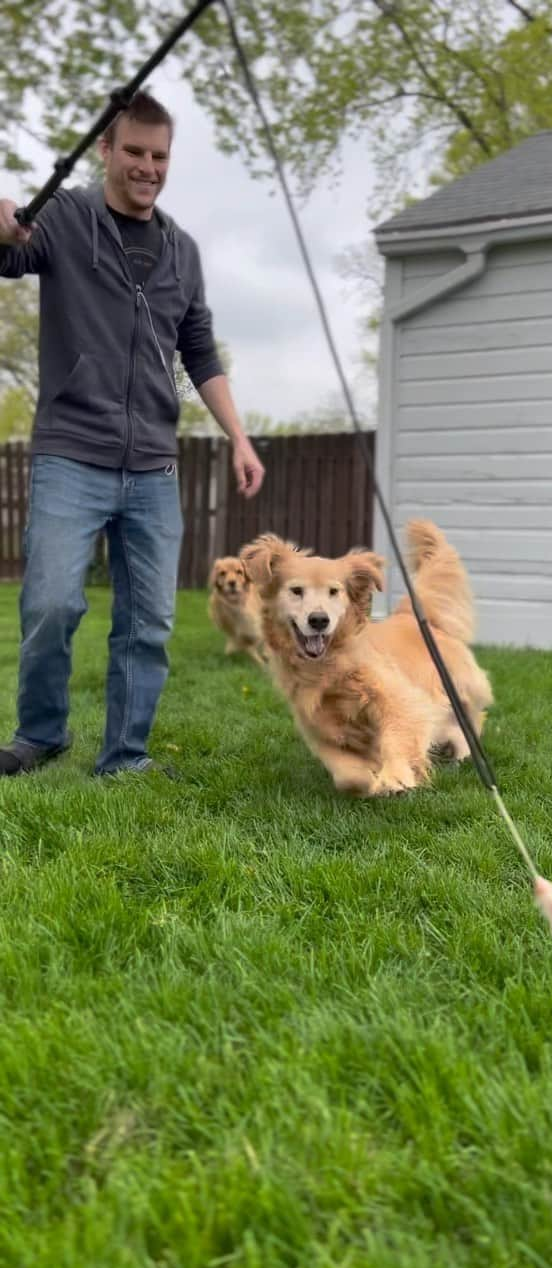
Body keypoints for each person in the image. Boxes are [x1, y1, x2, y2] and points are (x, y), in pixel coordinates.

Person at [0, 90, 265, 777]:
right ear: (106, 150)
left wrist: (237, 435)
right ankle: (40, 734)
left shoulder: (181, 251)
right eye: (136, 153)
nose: (148, 167)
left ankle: (125, 756)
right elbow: (10, 253)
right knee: (52, 601)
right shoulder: (65, 218)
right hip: (71, 453)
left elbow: (200, 352)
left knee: (147, 623)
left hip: (153, 465)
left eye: (160, 156)